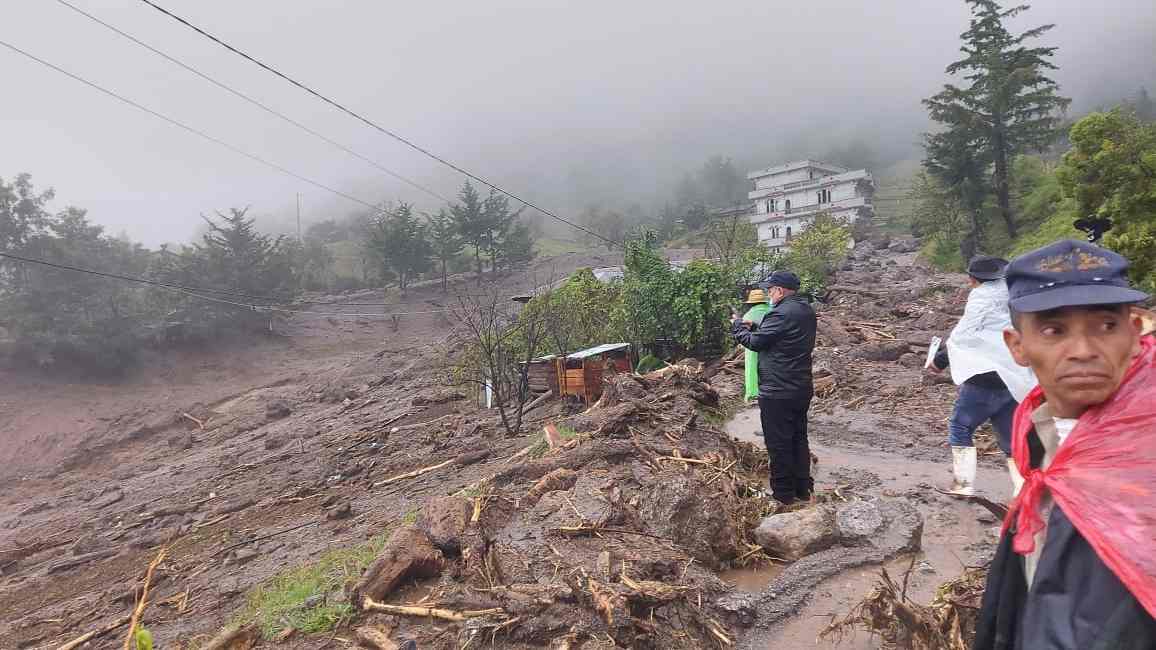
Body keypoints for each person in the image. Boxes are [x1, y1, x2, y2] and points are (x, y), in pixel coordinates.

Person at [974, 239, 1156, 649]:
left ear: (1134, 331)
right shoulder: (1038, 440)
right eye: (1054, 330)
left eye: (1106, 326)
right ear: (1017, 346)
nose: (1083, 351)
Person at [927, 255, 1036, 496]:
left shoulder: (981, 297)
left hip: (984, 379)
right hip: (1014, 377)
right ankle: (1022, 491)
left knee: (960, 426)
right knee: (1009, 438)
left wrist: (938, 361)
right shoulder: (1015, 294)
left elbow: (962, 336)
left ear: (972, 279)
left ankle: (963, 485)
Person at [732, 271, 817, 507]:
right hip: (800, 387)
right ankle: (803, 489)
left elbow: (755, 343)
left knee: (778, 443)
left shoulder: (779, 314)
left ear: (779, 290)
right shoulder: (805, 310)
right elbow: (781, 337)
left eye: (770, 290)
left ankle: (782, 495)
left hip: (778, 390)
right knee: (799, 439)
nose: (769, 294)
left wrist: (738, 327)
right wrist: (756, 325)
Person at [740, 288, 772, 403]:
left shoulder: (748, 315)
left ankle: (752, 393)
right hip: (770, 343)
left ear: (751, 303)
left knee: (751, 366)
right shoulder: (772, 311)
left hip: (752, 343)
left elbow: (744, 332)